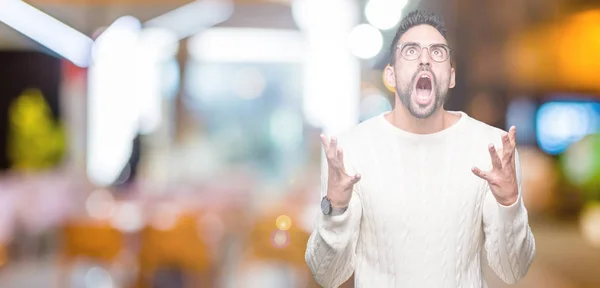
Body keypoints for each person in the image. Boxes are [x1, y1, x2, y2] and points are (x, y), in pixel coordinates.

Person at [305, 10, 535, 287]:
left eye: (437, 52)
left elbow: (514, 270)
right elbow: (326, 275)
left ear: (451, 77)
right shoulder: (348, 151)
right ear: (390, 74)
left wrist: (510, 203)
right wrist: (336, 208)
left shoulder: (494, 151)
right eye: (411, 51)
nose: (425, 59)